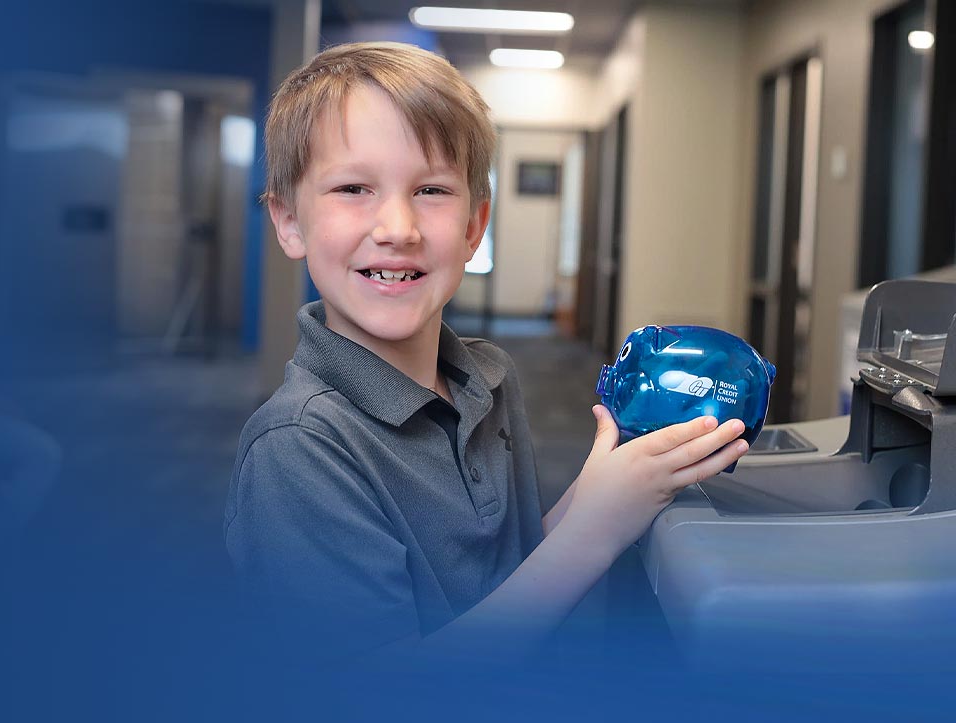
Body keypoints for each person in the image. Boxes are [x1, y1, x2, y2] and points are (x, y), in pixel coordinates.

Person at [223, 41, 748, 668]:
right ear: (288, 220)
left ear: (476, 226)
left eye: (432, 191)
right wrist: (593, 534)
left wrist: (606, 491)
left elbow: (508, 581)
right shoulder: (299, 448)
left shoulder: (487, 379)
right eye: (354, 187)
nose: (398, 227)